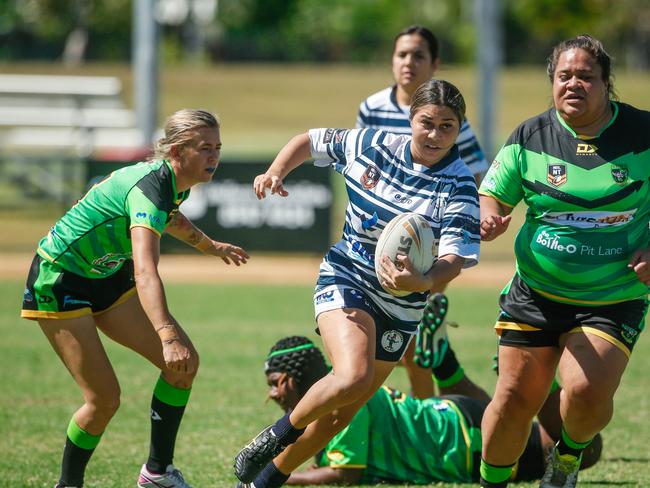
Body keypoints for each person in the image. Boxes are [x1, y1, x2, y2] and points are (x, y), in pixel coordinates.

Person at [233, 79, 481, 488]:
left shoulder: (458, 185)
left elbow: (454, 259)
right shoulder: (373, 144)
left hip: (402, 305)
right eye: (427, 122)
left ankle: (263, 482)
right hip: (348, 274)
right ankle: (276, 435)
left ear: (459, 128)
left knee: (342, 413)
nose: (435, 134)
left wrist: (424, 279)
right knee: (352, 376)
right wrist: (276, 170)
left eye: (447, 126)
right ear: (411, 119)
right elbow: (309, 140)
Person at [21, 109, 250, 488]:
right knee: (104, 399)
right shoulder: (148, 189)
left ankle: (157, 473)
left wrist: (210, 246)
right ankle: (68, 484)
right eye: (204, 148)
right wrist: (167, 334)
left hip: (106, 274)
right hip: (61, 280)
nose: (214, 156)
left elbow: (172, 217)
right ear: (177, 151)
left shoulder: (174, 182)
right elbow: (145, 271)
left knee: (183, 366)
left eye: (218, 147)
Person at [478, 34, 649, 488]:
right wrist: (490, 219)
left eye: (586, 76)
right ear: (552, 81)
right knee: (514, 399)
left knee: (589, 393)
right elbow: (492, 198)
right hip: (535, 293)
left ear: (607, 83)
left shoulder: (643, 133)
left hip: (613, 297)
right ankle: (491, 483)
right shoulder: (529, 137)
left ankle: (567, 460)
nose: (574, 84)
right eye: (564, 76)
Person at [256, 334, 602, 486]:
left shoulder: (339, 405)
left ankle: (541, 385)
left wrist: (284, 477)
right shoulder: (348, 384)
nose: (272, 394)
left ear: (289, 380)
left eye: (274, 383)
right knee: (514, 417)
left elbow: (346, 475)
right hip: (450, 412)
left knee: (582, 453)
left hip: (462, 445)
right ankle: (445, 364)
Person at [357, 25, 490, 399]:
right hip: (375, 248)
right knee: (370, 345)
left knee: (415, 351)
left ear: (435, 64)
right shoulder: (372, 108)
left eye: (418, 55)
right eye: (402, 54)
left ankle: (424, 426)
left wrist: (475, 218)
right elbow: (363, 168)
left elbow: (475, 176)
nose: (408, 63)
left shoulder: (449, 117)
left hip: (427, 254)